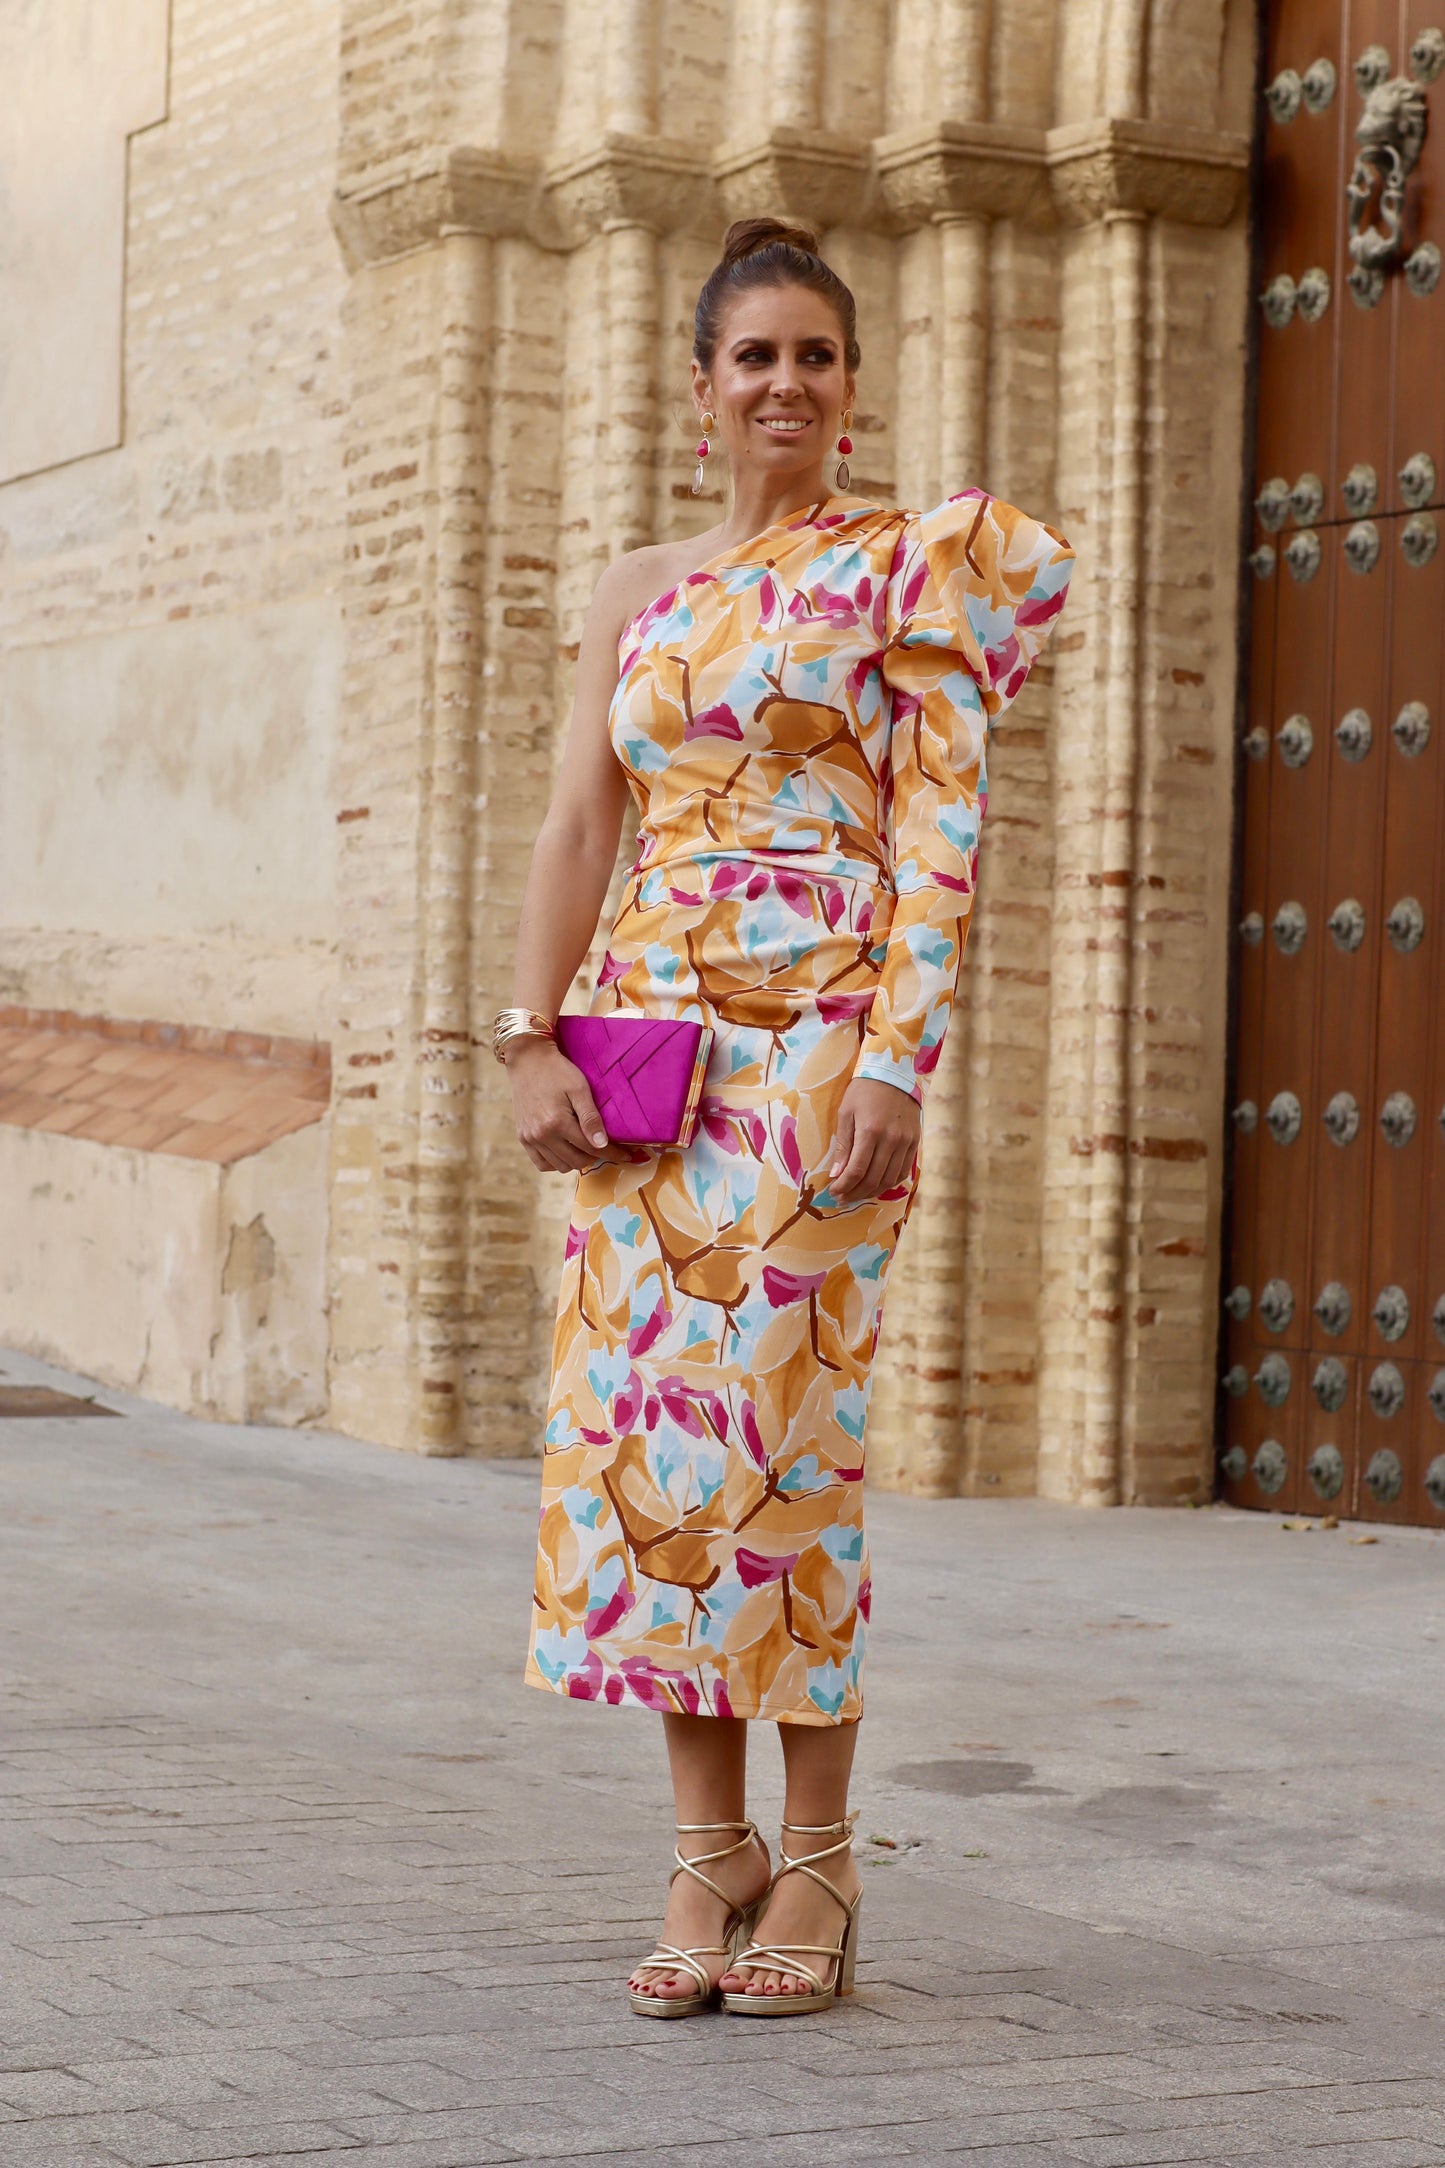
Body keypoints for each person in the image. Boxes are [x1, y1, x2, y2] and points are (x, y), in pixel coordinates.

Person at [497, 217, 1073, 2019]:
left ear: (850, 382)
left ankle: (813, 1859)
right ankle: (703, 1848)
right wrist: (531, 1036)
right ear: (699, 391)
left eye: (814, 355)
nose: (786, 384)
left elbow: (937, 837)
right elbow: (579, 825)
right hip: (651, 1071)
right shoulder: (634, 592)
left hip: (818, 1056)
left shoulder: (910, 567)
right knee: (646, 1459)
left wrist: (896, 1064)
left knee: (781, 1449)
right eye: (753, 356)